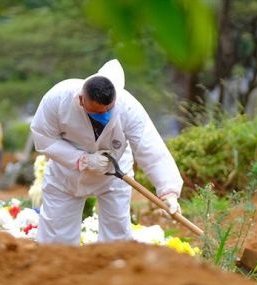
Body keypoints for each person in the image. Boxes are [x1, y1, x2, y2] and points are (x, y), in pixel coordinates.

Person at [30, 59, 183, 244]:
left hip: (114, 173)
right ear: (81, 100)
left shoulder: (128, 107)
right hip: (67, 173)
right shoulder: (58, 98)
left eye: (108, 110)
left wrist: (169, 192)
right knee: (55, 241)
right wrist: (83, 160)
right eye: (96, 112)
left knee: (116, 237)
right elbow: (43, 137)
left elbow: (150, 148)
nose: (103, 116)